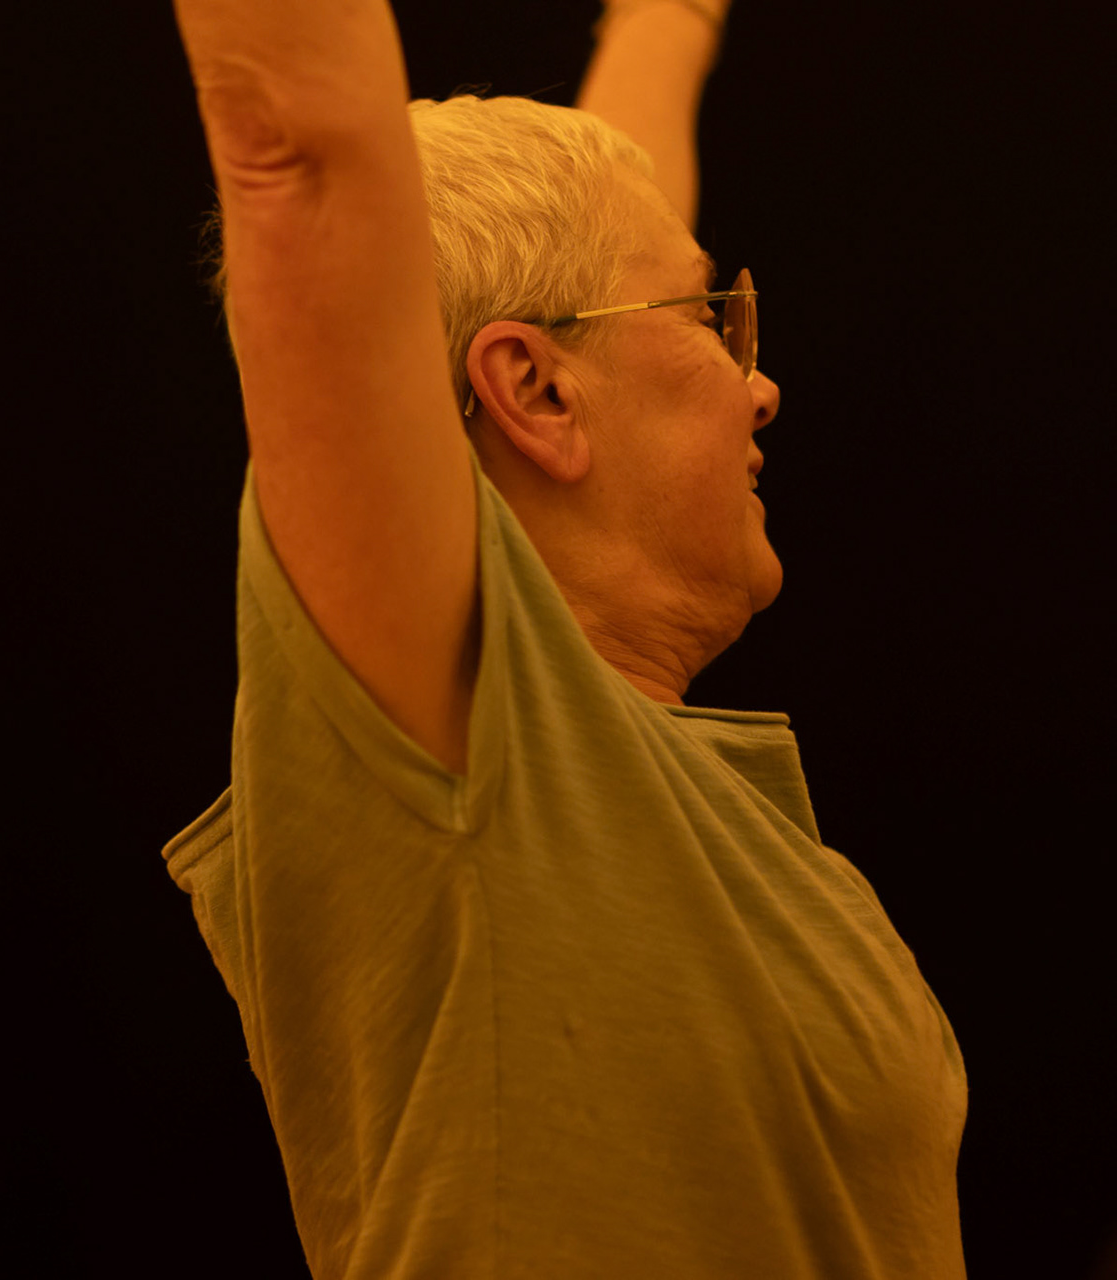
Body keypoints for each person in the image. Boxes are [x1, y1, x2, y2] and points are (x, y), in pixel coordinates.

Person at [160, 1, 968, 1276]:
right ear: (534, 392)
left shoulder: (630, 788)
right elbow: (306, 151)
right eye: (714, 321)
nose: (759, 384)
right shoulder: (450, 740)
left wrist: (672, 17)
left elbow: (595, 284)